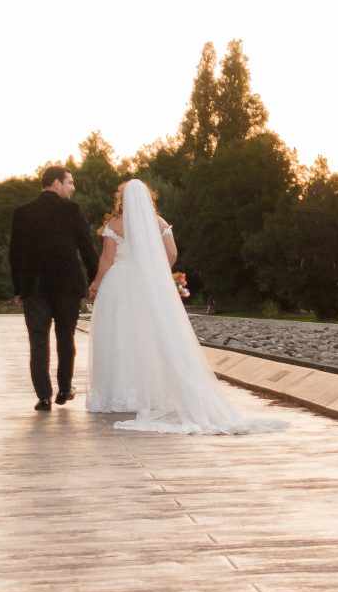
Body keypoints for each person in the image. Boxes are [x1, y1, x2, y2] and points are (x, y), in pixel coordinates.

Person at [86, 178, 282, 435]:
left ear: (122, 199)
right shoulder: (159, 223)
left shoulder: (114, 225)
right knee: (152, 337)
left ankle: (119, 395)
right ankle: (151, 393)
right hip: (148, 287)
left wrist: (96, 284)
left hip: (119, 286)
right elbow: (172, 253)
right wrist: (155, 272)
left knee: (118, 337)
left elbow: (107, 259)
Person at [7, 164, 101, 410]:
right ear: (56, 183)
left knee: (38, 341)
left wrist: (18, 288)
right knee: (65, 338)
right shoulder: (71, 210)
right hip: (66, 286)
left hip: (34, 288)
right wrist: (96, 279)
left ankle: (44, 396)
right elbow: (87, 248)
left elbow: (15, 255)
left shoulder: (22, 212)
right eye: (70, 182)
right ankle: (64, 389)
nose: (72, 187)